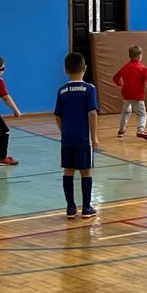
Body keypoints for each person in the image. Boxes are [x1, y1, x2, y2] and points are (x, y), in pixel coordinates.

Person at [54, 52, 100, 219]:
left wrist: (64, 132)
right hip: (83, 138)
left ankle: (71, 208)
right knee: (85, 171)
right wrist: (94, 137)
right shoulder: (89, 88)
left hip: (67, 138)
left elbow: (57, 115)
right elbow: (92, 113)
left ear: (65, 70)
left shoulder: (62, 90)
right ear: (85, 68)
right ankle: (86, 207)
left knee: (68, 170)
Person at [112, 45, 147, 141]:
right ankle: (140, 130)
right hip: (138, 95)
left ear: (130, 56)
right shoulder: (143, 68)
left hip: (126, 95)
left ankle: (121, 131)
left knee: (126, 112)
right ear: (140, 56)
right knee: (141, 114)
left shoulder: (125, 67)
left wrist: (119, 83)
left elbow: (115, 77)